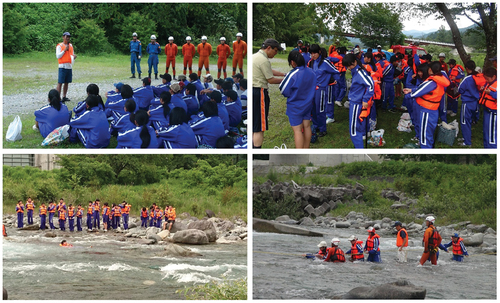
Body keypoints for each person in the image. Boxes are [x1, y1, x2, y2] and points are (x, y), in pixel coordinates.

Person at [404, 61, 450, 148]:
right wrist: (411, 90)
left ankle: (425, 151)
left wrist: (408, 95)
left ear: (430, 70)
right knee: (429, 132)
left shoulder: (432, 81)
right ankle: (429, 147)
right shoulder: (440, 80)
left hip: (427, 111)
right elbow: (423, 89)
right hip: (433, 110)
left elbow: (419, 91)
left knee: (424, 135)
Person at [252, 39, 285, 148]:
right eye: (275, 51)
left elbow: (269, 70)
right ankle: (256, 149)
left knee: (253, 122)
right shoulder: (264, 60)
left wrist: (284, 74)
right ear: (269, 48)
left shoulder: (256, 56)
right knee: (259, 126)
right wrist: (287, 80)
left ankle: (252, 145)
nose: (275, 54)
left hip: (252, 91)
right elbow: (270, 79)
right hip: (259, 92)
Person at [279, 50, 315, 148]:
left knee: (297, 130)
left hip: (295, 106)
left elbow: (283, 89)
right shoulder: (311, 71)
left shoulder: (293, 73)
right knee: (307, 126)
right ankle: (306, 148)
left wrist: (291, 94)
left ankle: (299, 151)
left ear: (292, 62)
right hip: (308, 104)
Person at [342, 53, 374, 148]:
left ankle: (359, 149)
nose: (349, 68)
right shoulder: (355, 71)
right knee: (358, 126)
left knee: (353, 130)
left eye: (350, 65)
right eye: (347, 66)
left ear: (355, 62)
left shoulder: (360, 72)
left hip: (357, 103)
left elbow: (371, 84)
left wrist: (365, 99)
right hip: (355, 101)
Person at [308, 44, 339, 137]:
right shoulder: (311, 62)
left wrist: (333, 80)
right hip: (312, 89)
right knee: (313, 109)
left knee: (320, 109)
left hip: (321, 89)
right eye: (311, 53)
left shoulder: (325, 62)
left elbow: (336, 71)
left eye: (315, 53)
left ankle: (323, 129)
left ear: (319, 52)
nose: (313, 55)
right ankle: (316, 125)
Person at [458, 60, 482, 146]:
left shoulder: (467, 79)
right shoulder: (478, 77)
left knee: (465, 122)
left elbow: (460, 89)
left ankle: (467, 142)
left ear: (467, 69)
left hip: (467, 103)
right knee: (469, 120)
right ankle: (466, 137)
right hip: (475, 102)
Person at [479, 67, 497, 148]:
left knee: (492, 132)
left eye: (487, 79)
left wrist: (490, 93)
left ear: (493, 77)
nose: (486, 80)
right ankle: (486, 146)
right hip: (487, 110)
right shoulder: (489, 83)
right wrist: (482, 89)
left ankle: (492, 147)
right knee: (486, 130)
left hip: (493, 112)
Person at [56, 32, 77, 102]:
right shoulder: (60, 46)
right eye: (66, 36)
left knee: (67, 82)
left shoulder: (70, 45)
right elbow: (58, 56)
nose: (67, 38)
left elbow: (71, 54)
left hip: (69, 66)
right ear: (63, 37)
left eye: (68, 37)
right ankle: (57, 97)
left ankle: (64, 96)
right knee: (60, 82)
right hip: (62, 66)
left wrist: (74, 57)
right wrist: (64, 50)